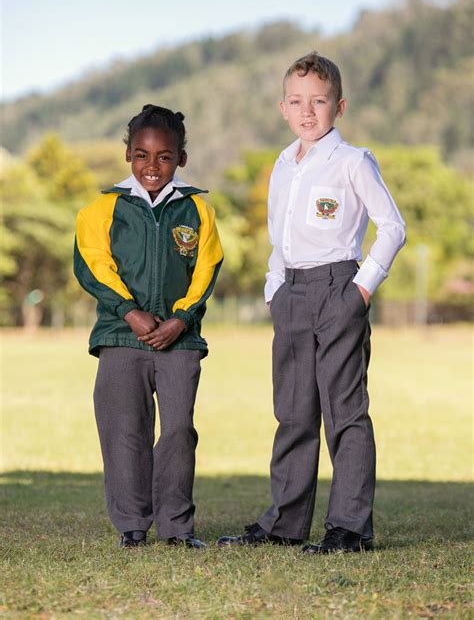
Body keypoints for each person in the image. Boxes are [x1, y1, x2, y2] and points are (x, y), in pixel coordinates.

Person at [217, 52, 406, 553]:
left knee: (344, 412)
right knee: (294, 413)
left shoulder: (352, 161)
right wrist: (273, 289)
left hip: (339, 289)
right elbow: (278, 236)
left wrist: (361, 290)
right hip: (292, 295)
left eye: (318, 101)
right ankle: (284, 523)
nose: (307, 112)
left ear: (338, 106)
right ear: (283, 107)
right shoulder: (283, 164)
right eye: (297, 101)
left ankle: (349, 528)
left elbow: (393, 227)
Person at [74, 104, 223, 549]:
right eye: (141, 155)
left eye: (163, 157)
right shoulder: (102, 209)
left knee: (178, 431)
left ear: (182, 158)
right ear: (127, 155)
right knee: (124, 431)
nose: (151, 166)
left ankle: (177, 527)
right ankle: (133, 527)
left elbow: (207, 267)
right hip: (121, 338)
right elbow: (92, 266)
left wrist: (180, 318)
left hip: (180, 341)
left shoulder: (197, 209)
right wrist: (130, 312)